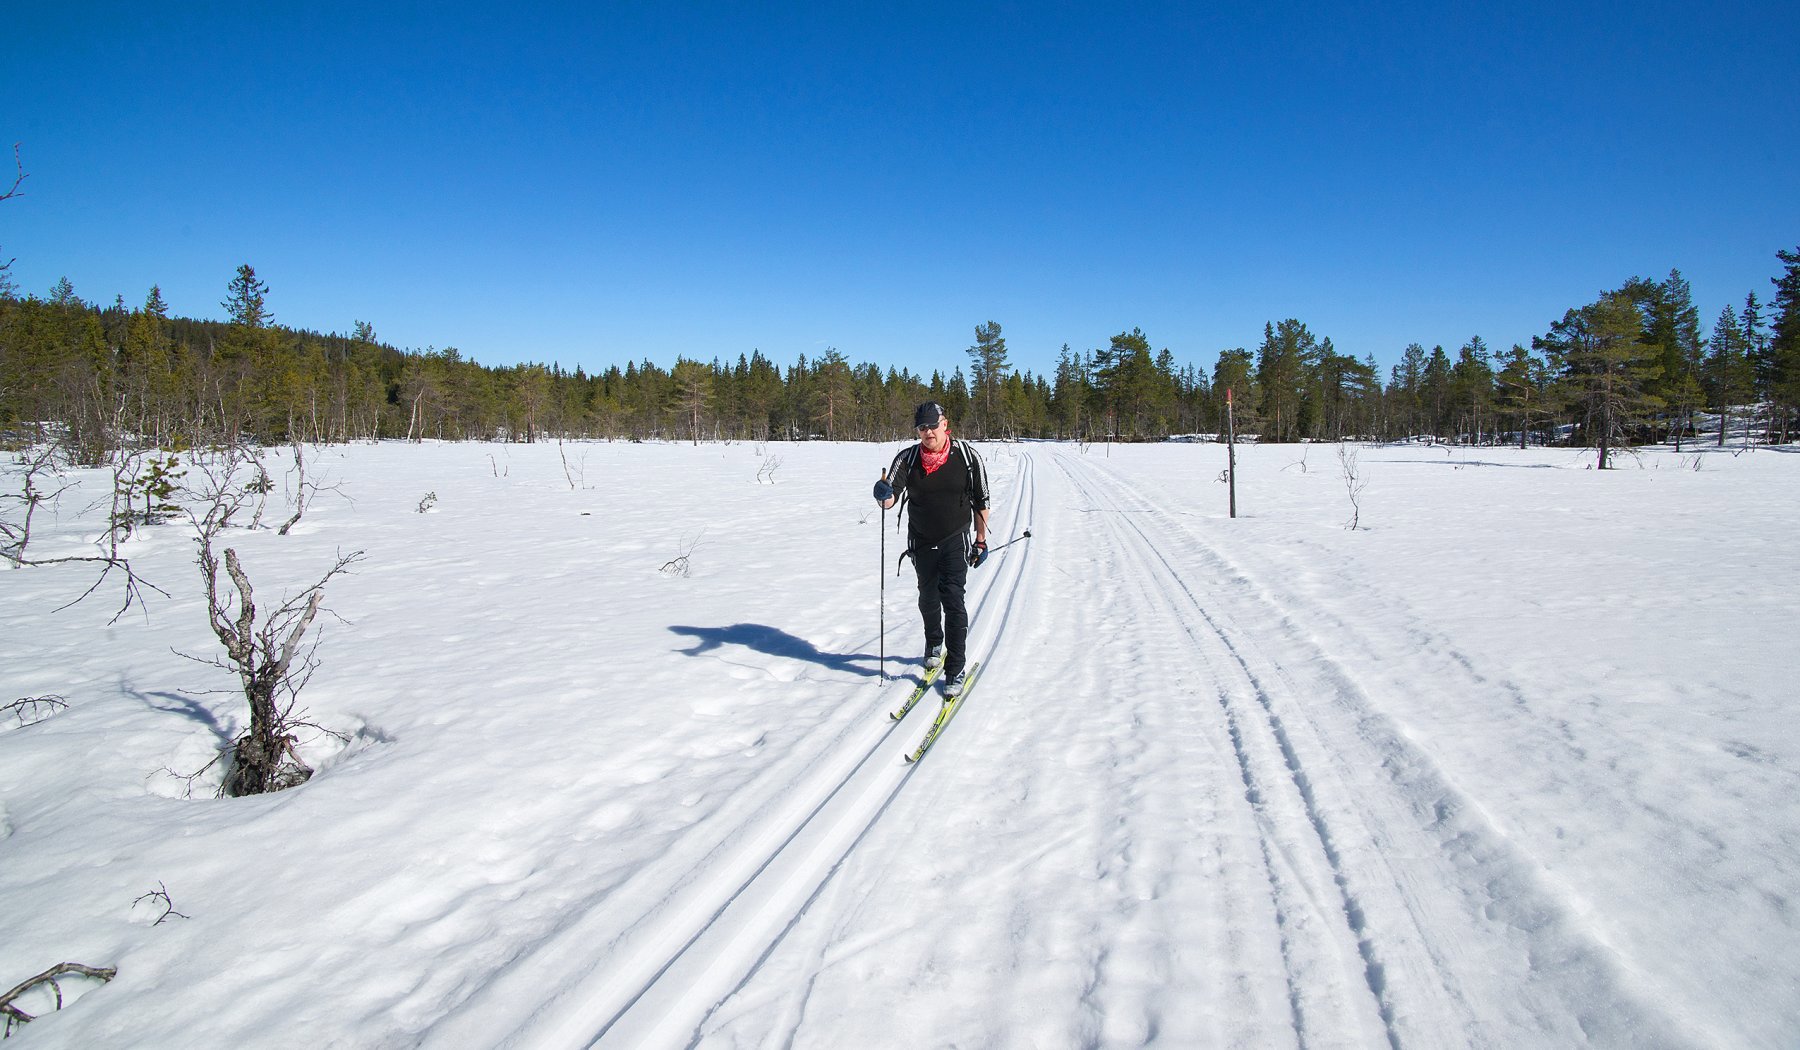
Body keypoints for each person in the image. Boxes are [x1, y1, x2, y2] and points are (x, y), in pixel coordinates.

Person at [872, 401, 990, 697]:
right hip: (922, 539)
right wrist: (882, 495)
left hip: (955, 538)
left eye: (933, 426)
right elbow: (891, 499)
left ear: (945, 424)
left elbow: (982, 500)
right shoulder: (907, 458)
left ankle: (955, 668)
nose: (928, 432)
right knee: (928, 597)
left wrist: (980, 539)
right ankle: (934, 642)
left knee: (952, 598)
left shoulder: (967, 456)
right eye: (922, 427)